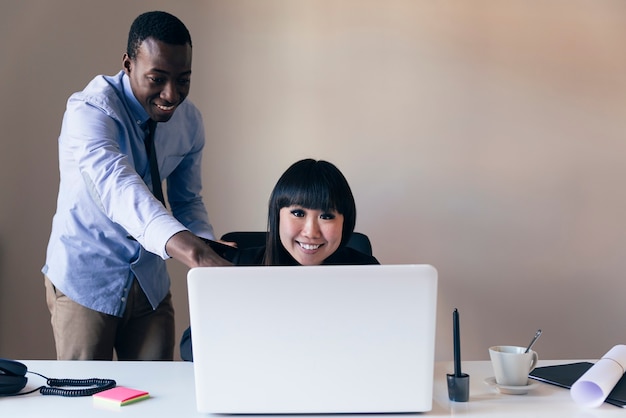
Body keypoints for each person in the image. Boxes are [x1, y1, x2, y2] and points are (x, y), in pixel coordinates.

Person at [42, 11, 230, 361]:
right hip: (86, 279)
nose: (171, 94)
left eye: (183, 80)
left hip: (149, 283)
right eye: (157, 78)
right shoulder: (89, 111)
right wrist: (194, 252)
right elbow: (118, 187)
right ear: (128, 64)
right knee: (87, 400)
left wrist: (208, 245)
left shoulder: (189, 122)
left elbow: (187, 200)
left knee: (157, 397)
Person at [180, 158, 379, 361]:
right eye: (298, 213)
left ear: (345, 221)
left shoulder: (367, 270)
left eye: (326, 216)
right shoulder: (239, 266)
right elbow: (190, 346)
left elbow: (385, 342)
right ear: (278, 215)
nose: (311, 231)